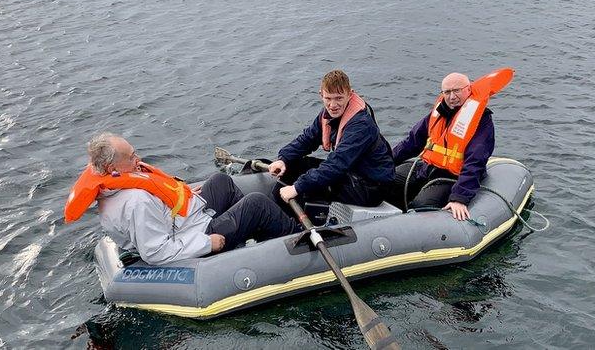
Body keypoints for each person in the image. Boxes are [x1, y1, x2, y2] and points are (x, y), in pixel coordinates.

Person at [64, 133, 301, 266]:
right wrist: (208, 243)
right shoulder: (135, 203)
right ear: (111, 166)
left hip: (186, 223)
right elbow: (156, 252)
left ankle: (252, 239)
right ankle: (298, 239)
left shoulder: (113, 183)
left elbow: (159, 210)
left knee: (220, 181)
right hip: (194, 236)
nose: (138, 158)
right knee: (255, 204)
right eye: (131, 156)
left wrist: (185, 195)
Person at [389, 68, 513, 220]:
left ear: (468, 89)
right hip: (427, 168)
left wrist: (459, 198)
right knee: (386, 180)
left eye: (457, 91)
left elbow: (476, 161)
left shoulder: (481, 120)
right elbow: (411, 142)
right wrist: (386, 161)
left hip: (453, 176)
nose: (452, 97)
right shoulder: (439, 113)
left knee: (422, 205)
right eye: (447, 92)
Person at [266, 70, 395, 208]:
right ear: (321, 95)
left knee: (312, 185)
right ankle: (275, 210)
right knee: (294, 165)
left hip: (371, 187)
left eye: (339, 98)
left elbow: (337, 164)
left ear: (350, 94)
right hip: (352, 172)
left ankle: (293, 221)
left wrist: (297, 187)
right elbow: (307, 139)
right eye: (328, 99)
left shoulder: (361, 125)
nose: (333, 105)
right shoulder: (327, 114)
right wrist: (283, 158)